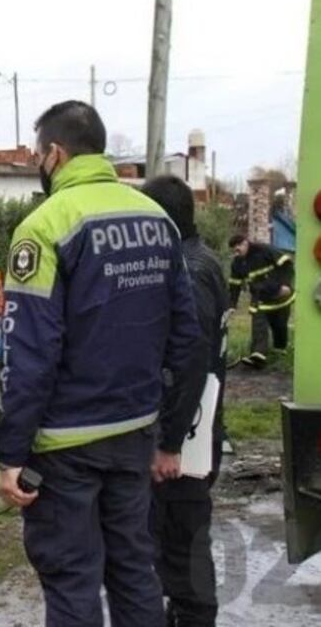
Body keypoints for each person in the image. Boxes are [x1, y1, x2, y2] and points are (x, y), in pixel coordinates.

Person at [0, 101, 200, 627]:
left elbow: (28, 353)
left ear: (54, 154)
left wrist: (11, 451)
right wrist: (166, 429)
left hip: (64, 445)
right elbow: (185, 336)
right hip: (134, 431)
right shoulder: (158, 221)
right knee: (134, 571)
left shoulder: (45, 226)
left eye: (38, 156)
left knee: (72, 579)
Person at [143, 175, 229, 627]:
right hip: (198, 431)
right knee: (175, 544)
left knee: (182, 548)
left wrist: (170, 442)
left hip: (186, 442)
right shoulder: (202, 260)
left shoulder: (189, 272)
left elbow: (192, 362)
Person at [227, 233, 294, 369]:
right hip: (260, 298)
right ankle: (258, 355)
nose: (236, 252)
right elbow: (235, 285)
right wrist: (232, 305)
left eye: (238, 248)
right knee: (258, 323)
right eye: (234, 250)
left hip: (280, 294)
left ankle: (279, 352)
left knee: (279, 326)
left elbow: (287, 264)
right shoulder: (237, 263)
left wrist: (285, 285)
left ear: (245, 243)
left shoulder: (264, 250)